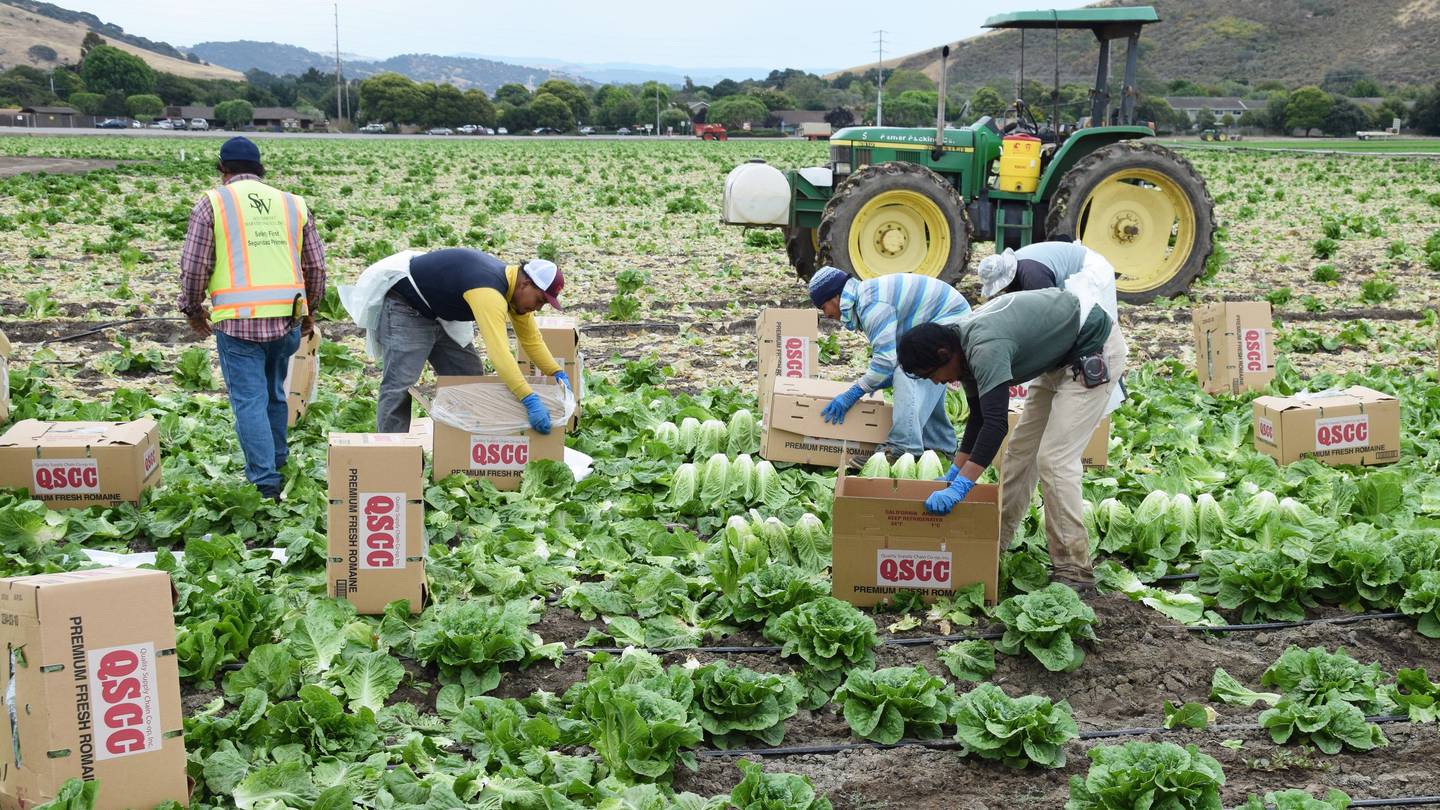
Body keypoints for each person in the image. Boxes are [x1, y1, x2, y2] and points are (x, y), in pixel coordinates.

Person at [895, 288, 1127, 591]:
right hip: (1057, 358)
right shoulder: (959, 353)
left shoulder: (984, 348)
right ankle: (993, 545)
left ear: (943, 355)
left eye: (932, 375)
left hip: (1091, 346)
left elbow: (995, 425)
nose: (937, 382)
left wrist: (962, 487)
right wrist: (954, 473)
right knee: (1019, 454)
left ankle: (1074, 568)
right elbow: (978, 418)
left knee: (1054, 460)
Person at [178, 136, 326, 501]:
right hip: (285, 319)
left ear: (222, 169)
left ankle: (264, 483)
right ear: (260, 169)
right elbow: (316, 266)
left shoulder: (212, 203)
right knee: (275, 394)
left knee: (249, 401)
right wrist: (309, 311)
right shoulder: (292, 204)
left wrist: (193, 309)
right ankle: (277, 460)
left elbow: (195, 266)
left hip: (238, 324)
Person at [344, 247, 569, 433]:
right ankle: (392, 454)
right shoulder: (489, 293)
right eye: (540, 300)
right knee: (400, 385)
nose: (538, 308)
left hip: (440, 312)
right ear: (525, 284)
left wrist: (556, 372)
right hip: (408, 306)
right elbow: (499, 353)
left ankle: (458, 445)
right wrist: (528, 398)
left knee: (468, 375)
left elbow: (531, 341)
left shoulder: (515, 293)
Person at [807, 266, 970, 457]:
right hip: (944, 321)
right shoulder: (865, 298)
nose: (825, 315)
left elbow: (885, 361)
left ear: (834, 297)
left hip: (951, 322)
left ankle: (902, 447)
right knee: (923, 379)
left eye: (823, 307)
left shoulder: (871, 304)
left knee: (911, 370)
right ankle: (942, 448)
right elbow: (890, 358)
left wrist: (854, 393)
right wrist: (877, 380)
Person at [976, 240, 1124, 412]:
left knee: (1098, 334)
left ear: (1006, 277)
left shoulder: (1032, 276)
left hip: (1091, 272)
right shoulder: (1020, 271)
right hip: (1075, 274)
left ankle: (1106, 393)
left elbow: (1053, 317)